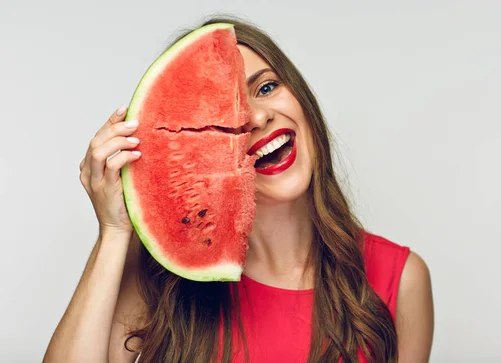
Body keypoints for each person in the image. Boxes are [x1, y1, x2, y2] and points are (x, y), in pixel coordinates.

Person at [43, 16, 434, 363]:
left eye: (266, 88)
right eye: (219, 116)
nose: (256, 117)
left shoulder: (400, 278)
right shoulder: (161, 281)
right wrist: (113, 231)